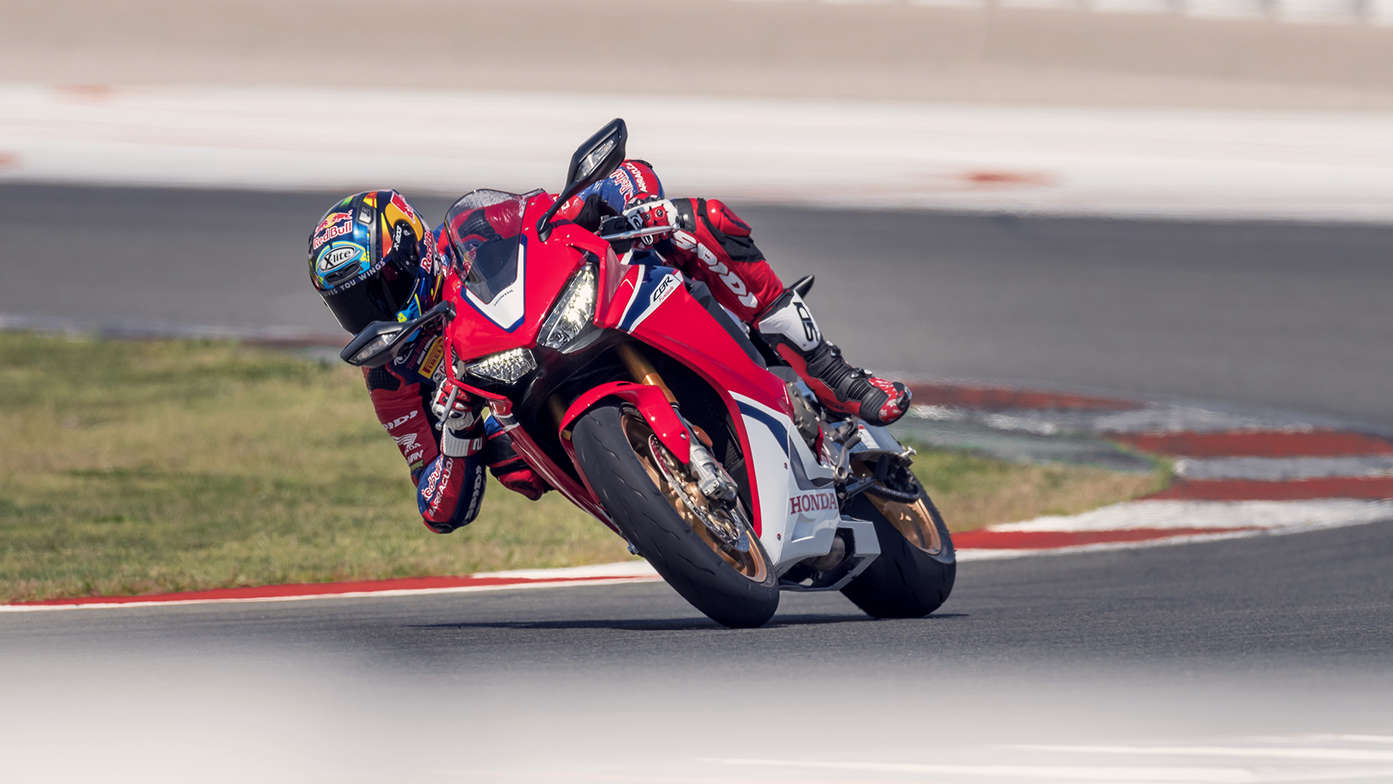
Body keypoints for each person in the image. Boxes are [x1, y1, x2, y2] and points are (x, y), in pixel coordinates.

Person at [307, 164, 910, 533]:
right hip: (531, 420)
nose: (373, 315)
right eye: (352, 306)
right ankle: (652, 507)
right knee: (502, 458)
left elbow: (550, 211)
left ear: (411, 252)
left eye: (379, 288)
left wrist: (610, 198)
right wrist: (459, 435)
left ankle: (830, 370)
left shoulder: (472, 231)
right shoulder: (392, 376)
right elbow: (436, 507)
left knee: (693, 221)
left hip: (564, 323)